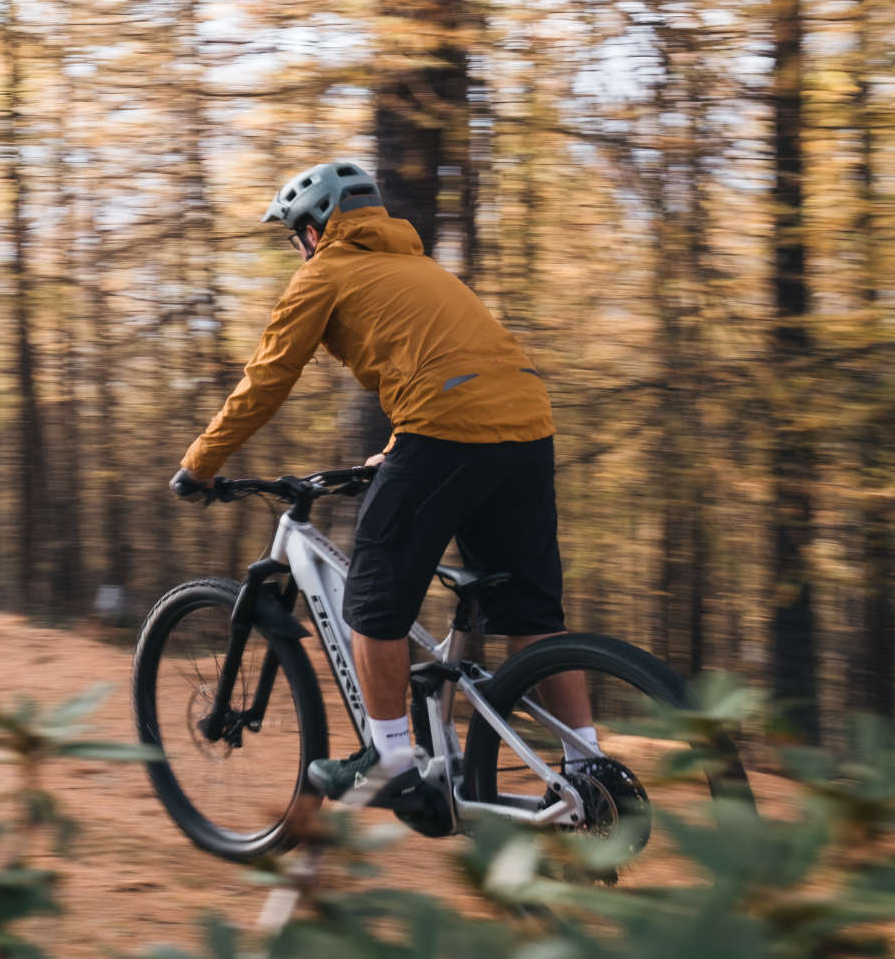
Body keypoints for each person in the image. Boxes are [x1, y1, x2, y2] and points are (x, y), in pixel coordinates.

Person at [168, 160, 595, 812]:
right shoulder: (422, 269)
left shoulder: (326, 273)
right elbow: (445, 362)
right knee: (533, 615)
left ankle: (392, 756)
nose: (298, 249)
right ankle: (589, 764)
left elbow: (266, 378)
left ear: (315, 228)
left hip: (447, 432)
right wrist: (398, 448)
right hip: (528, 428)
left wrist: (200, 462)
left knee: (370, 598)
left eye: (295, 236)